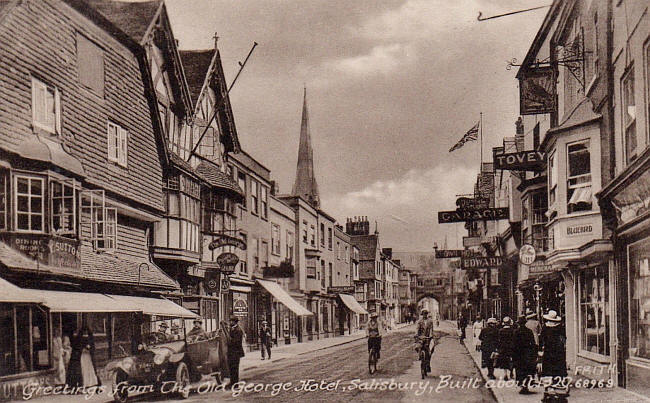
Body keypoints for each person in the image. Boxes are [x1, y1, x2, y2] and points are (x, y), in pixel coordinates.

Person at [513, 316, 537, 394]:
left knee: (519, 370)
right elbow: (533, 343)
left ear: (519, 324)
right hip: (527, 353)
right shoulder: (529, 331)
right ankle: (525, 386)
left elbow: (513, 344)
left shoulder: (516, 332)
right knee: (527, 369)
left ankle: (522, 386)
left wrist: (513, 354)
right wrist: (533, 353)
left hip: (518, 353)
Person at [539, 310, 567, 378]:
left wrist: (541, 347)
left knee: (549, 362)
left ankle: (549, 376)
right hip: (558, 347)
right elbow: (564, 337)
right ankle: (558, 376)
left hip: (548, 346)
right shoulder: (559, 326)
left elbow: (542, 337)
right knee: (558, 362)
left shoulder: (545, 327)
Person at [226, 315, 245, 389]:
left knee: (235, 368)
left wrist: (229, 341)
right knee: (231, 368)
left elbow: (236, 342)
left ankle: (235, 384)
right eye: (230, 321)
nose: (230, 322)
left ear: (235, 322)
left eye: (232, 321)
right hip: (231, 352)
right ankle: (232, 382)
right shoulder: (232, 329)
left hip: (236, 352)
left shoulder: (238, 330)